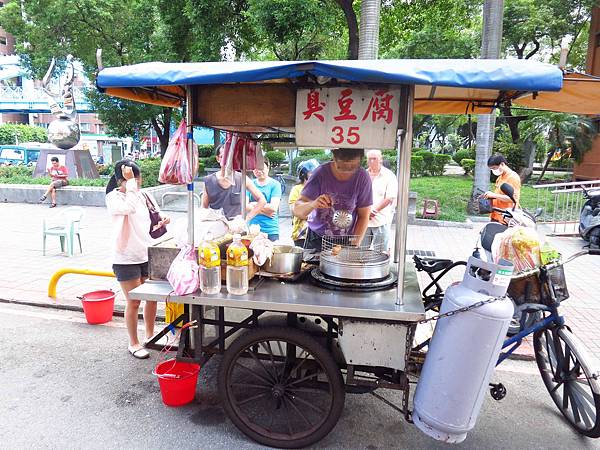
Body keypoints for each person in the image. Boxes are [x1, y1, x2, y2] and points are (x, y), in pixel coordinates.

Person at [105, 160, 170, 359]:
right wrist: (130, 183)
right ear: (120, 179)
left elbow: (153, 218)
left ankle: (150, 336)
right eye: (131, 178)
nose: (137, 181)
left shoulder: (145, 195)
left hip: (147, 253)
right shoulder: (113, 198)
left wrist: (163, 221)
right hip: (126, 257)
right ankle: (133, 343)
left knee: (151, 299)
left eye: (137, 177)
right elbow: (129, 208)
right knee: (134, 301)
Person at [293, 148, 373, 251]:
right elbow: (297, 210)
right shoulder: (321, 173)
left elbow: (364, 216)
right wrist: (313, 204)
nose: (347, 171)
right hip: (317, 239)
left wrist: (353, 246)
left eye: (353, 167)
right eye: (341, 167)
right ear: (334, 158)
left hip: (347, 240)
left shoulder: (362, 177)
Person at [201, 146, 266, 221]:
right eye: (223, 157)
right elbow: (204, 208)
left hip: (236, 228)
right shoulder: (209, 181)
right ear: (218, 159)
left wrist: (247, 219)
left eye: (229, 157)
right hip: (215, 227)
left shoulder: (242, 179)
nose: (227, 161)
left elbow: (262, 200)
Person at [365, 150, 397, 253]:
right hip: (363, 220)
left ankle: (381, 269)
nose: (372, 161)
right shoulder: (363, 175)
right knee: (360, 252)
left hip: (381, 220)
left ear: (381, 160)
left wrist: (373, 211)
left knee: (380, 253)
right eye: (369, 159)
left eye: (375, 158)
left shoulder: (389, 176)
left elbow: (389, 198)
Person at [247, 158, 282, 241]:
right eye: (255, 168)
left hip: (270, 230)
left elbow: (273, 208)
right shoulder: (249, 184)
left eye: (261, 168)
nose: (258, 171)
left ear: (268, 167)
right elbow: (245, 206)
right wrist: (266, 212)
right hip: (252, 229)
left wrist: (253, 204)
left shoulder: (275, 185)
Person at [289, 159, 319, 247]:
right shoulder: (297, 189)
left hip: (318, 234)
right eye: (311, 172)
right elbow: (294, 210)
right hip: (301, 234)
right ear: (303, 174)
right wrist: (316, 216)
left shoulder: (321, 188)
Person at [483, 154, 521, 224]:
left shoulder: (513, 177)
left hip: (505, 217)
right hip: (496, 214)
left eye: (494, 168)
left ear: (502, 164)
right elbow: (498, 194)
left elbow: (513, 199)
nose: (493, 171)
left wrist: (493, 195)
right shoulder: (500, 177)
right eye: (492, 169)